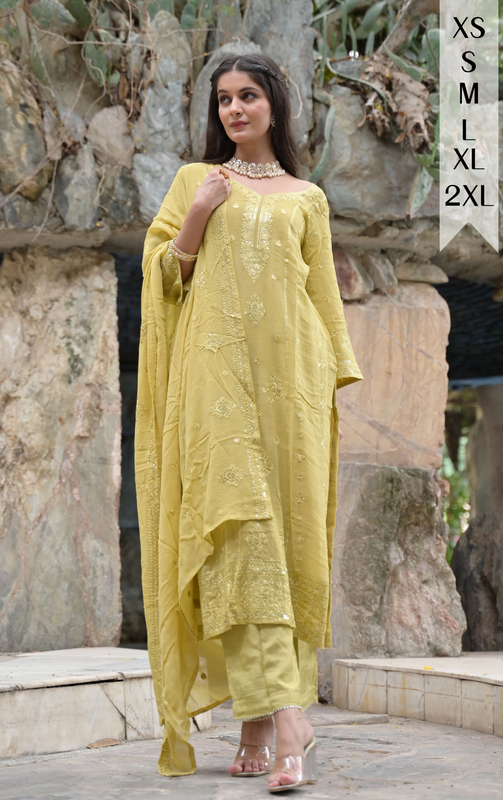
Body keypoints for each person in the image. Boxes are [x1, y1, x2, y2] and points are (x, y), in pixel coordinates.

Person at [134, 52, 364, 792]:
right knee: (238, 539)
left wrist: (330, 383)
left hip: (292, 391)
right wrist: (200, 213)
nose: (235, 109)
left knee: (288, 549)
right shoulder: (194, 182)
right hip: (215, 387)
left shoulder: (307, 198)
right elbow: (164, 280)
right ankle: (291, 718)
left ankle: (258, 722)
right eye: (224, 99)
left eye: (249, 96)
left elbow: (322, 300)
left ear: (274, 106)